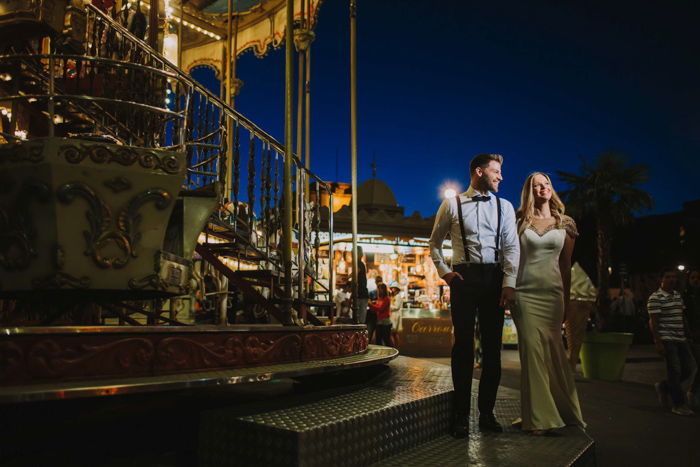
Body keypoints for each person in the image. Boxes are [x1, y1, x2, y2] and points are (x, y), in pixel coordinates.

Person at [429, 153, 520, 439]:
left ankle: (487, 413)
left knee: (493, 349)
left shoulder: (505, 207)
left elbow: (511, 248)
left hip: (494, 280)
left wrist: (509, 283)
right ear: (479, 171)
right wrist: (446, 273)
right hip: (464, 279)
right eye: (496, 171)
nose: (501, 177)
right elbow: (433, 244)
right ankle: (460, 415)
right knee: (463, 348)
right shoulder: (452, 203)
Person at [512, 172, 586, 435]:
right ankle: (539, 418)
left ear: (551, 189)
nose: (542, 188)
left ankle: (558, 412)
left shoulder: (566, 223)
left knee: (553, 355)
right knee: (531, 354)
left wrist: (566, 300)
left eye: (546, 184)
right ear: (529, 191)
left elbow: (565, 267)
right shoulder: (519, 221)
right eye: (536, 185)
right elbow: (509, 260)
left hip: (553, 295)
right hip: (523, 294)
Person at [649, 268, 695, 416]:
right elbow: (654, 322)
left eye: (674, 277)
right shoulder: (655, 298)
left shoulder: (677, 296)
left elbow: (682, 316)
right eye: (668, 277)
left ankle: (664, 386)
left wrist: (688, 333)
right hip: (667, 338)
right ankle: (678, 404)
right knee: (674, 370)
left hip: (681, 338)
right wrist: (658, 342)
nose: (672, 280)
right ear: (661, 279)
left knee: (688, 368)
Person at [683, 269, 700, 408]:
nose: (695, 280)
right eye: (693, 278)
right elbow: (684, 317)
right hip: (692, 335)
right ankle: (692, 392)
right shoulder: (686, 296)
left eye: (698, 278)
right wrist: (688, 333)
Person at [352, 246, 369, 327]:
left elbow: (355, 273)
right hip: (360, 294)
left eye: (353, 252)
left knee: (360, 319)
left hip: (362, 295)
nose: (352, 254)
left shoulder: (359, 263)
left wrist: (348, 277)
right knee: (358, 318)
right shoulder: (359, 263)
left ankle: (360, 336)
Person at [366, 275, 383, 343]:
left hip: (379, 315)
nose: (378, 283)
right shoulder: (372, 292)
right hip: (373, 314)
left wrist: (373, 303)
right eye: (377, 281)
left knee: (378, 335)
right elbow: (368, 302)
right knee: (370, 333)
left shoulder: (384, 293)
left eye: (379, 281)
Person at [389, 281, 403, 346]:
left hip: (395, 316)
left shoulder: (398, 296)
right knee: (394, 333)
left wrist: (389, 306)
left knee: (393, 333)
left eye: (393, 288)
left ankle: (396, 347)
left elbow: (396, 307)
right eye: (391, 288)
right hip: (394, 315)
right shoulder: (395, 296)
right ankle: (397, 347)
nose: (392, 289)